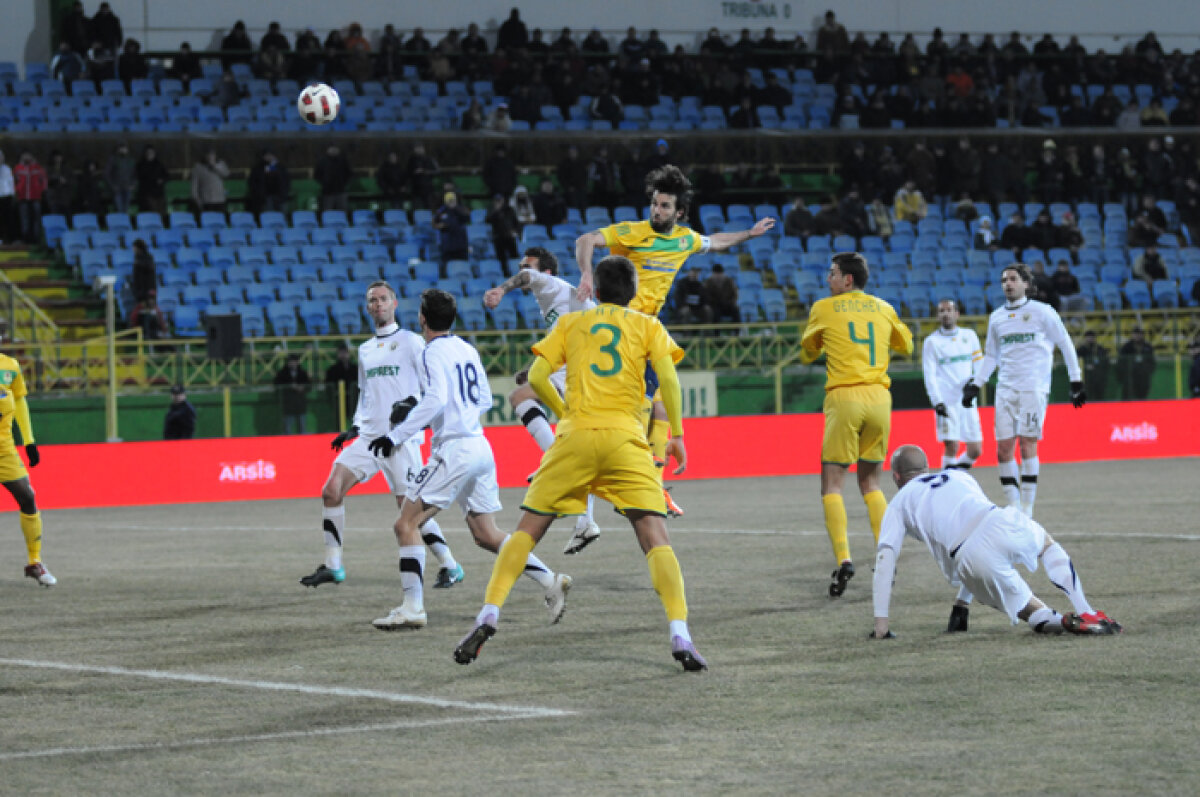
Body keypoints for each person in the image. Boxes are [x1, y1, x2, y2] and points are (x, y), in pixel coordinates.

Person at [454, 255, 706, 671]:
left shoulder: (570, 324)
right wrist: (676, 434)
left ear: (598, 290)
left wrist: (565, 409)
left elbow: (535, 377)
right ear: (633, 291)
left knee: (526, 533)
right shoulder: (648, 326)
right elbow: (669, 380)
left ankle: (489, 614)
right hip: (625, 441)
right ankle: (680, 633)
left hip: (574, 437)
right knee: (655, 539)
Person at [574, 165, 775, 517]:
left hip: (648, 329)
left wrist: (750, 233)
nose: (657, 211)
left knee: (662, 407)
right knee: (642, 409)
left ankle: (649, 487)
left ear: (679, 212)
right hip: (624, 330)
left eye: (665, 206)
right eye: (655, 204)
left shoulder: (684, 239)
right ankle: (633, 487)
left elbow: (717, 241)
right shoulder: (632, 233)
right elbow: (585, 240)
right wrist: (587, 272)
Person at [365, 289, 571, 630]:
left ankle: (412, 607)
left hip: (455, 449)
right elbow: (485, 398)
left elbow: (436, 399)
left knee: (405, 524)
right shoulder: (466, 348)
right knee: (485, 533)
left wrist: (397, 434)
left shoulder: (431, 352)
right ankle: (550, 581)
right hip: (479, 444)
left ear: (422, 318)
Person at [301, 282, 464, 591]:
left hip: (401, 440)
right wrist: (356, 427)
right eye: (372, 300)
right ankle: (334, 566)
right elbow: (366, 393)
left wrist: (412, 406)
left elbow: (430, 387)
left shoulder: (413, 342)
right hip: (370, 438)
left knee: (411, 511)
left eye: (382, 299)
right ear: (367, 308)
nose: (377, 304)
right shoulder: (365, 349)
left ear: (395, 303)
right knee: (331, 490)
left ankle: (450, 564)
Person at [869, 446, 1121, 639]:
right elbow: (977, 526)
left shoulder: (898, 502)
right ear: (926, 467)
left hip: (968, 556)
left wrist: (881, 626)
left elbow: (885, 561)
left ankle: (1062, 621)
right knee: (1047, 545)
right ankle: (1086, 610)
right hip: (997, 520)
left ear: (896, 476)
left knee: (1026, 608)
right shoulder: (958, 476)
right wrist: (961, 604)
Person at [799, 252, 914, 597]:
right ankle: (886, 555)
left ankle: (844, 558)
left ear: (847, 280)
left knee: (832, 485)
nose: (828, 279)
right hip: (879, 398)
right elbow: (906, 346)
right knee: (871, 483)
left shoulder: (823, 308)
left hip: (844, 397)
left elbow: (807, 354)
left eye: (832, 273)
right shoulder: (883, 307)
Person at [482, 247, 601, 554]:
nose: (523, 270)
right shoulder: (559, 299)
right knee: (574, 446)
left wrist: (500, 289)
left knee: (520, 398)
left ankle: (553, 457)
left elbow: (525, 277)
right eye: (522, 266)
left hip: (581, 366)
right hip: (583, 364)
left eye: (529, 266)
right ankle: (583, 522)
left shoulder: (550, 285)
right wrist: (530, 370)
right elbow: (560, 337)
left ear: (544, 272)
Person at [962, 264, 1085, 517]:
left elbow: (1065, 343)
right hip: (1005, 389)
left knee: (1028, 444)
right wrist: (976, 384)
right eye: (1004, 279)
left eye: (1013, 279)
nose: (1007, 283)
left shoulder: (1043, 312)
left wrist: (1076, 380)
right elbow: (991, 356)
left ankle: (1027, 508)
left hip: (1033, 388)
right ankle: (1014, 506)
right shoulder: (996, 317)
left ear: (1026, 284)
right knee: (1003, 448)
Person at [0, 347, 55, 586]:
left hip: (4, 450)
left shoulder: (10, 366)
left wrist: (29, 441)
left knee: (27, 496)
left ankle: (34, 562)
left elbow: (20, 400)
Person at [922, 299, 984, 471]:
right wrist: (936, 401)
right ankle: (947, 485)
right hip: (946, 402)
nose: (946, 314)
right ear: (937, 316)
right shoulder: (931, 342)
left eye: (949, 310)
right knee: (952, 445)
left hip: (967, 401)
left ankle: (954, 476)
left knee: (976, 449)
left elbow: (980, 364)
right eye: (942, 311)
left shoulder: (969, 336)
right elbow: (929, 374)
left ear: (957, 314)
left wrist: (974, 383)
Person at [13, 152, 47, 244]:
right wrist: (17, 191)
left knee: (36, 219)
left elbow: (43, 181)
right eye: (24, 155)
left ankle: (36, 239)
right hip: (23, 197)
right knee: (24, 219)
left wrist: (41, 191)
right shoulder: (18, 168)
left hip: (35, 197)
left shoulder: (38, 168)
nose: (26, 157)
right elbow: (14, 181)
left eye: (28, 155)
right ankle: (26, 239)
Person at [274, 353, 310, 434]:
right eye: (291, 361)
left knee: (302, 427)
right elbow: (277, 385)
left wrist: (302, 388)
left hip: (300, 404)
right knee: (287, 428)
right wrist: (289, 386)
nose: (293, 363)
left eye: (294, 361)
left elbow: (309, 386)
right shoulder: (282, 373)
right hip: (288, 405)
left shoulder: (302, 373)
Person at [433, 191, 470, 270]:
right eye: (449, 200)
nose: (451, 202)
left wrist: (456, 208)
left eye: (453, 200)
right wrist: (440, 226)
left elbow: (467, 218)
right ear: (446, 201)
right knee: (448, 266)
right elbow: (434, 224)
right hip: (448, 245)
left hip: (461, 244)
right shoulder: (441, 211)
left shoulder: (461, 209)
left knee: (462, 266)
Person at [247, 149, 289, 216]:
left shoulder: (280, 167)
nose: (269, 157)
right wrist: (258, 194)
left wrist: (284, 193)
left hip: (280, 196)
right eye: (267, 155)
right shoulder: (258, 168)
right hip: (265, 198)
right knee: (268, 216)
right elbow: (253, 182)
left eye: (271, 155)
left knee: (281, 216)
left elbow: (285, 181)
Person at [324, 342, 357, 426]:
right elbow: (328, 385)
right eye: (341, 353)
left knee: (356, 422)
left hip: (353, 400)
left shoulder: (354, 368)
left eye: (345, 353)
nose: (343, 355)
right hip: (338, 400)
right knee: (338, 423)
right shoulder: (332, 370)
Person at [1117, 327, 1155, 400]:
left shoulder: (1147, 347)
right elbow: (1121, 362)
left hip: (1143, 378)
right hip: (1130, 378)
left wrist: (1147, 371)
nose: (1137, 336)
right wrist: (1124, 375)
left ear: (1142, 335)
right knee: (1128, 398)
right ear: (1132, 335)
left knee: (1142, 398)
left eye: (1139, 334)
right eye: (1135, 334)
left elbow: (1152, 362)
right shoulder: (1126, 347)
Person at [190, 149, 229, 216]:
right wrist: (197, 200)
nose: (210, 157)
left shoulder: (220, 164)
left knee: (219, 221)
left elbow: (226, 174)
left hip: (220, 200)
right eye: (208, 155)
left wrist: (214, 166)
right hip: (206, 201)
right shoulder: (198, 167)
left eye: (212, 155)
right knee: (208, 220)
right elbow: (194, 186)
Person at [314, 145, 352, 212]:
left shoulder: (343, 161)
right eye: (332, 149)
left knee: (342, 211)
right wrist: (324, 183)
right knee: (328, 211)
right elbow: (317, 175)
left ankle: (342, 222)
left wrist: (343, 183)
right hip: (327, 191)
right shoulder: (322, 161)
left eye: (335, 149)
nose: (333, 151)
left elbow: (349, 174)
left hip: (340, 190)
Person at [135, 145, 168, 217]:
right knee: (153, 213)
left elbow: (166, 176)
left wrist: (162, 180)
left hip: (159, 193)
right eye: (148, 153)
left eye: (152, 153)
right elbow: (140, 177)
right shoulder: (141, 165)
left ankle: (162, 226)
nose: (150, 154)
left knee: (162, 212)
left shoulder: (159, 164)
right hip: (148, 194)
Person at [1077, 330, 1110, 401]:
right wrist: (1086, 366)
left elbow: (1105, 362)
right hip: (1085, 378)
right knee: (1087, 396)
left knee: (1099, 396)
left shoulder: (1100, 349)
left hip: (1098, 378)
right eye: (1088, 337)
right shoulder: (1081, 350)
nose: (1090, 339)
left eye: (1092, 337)